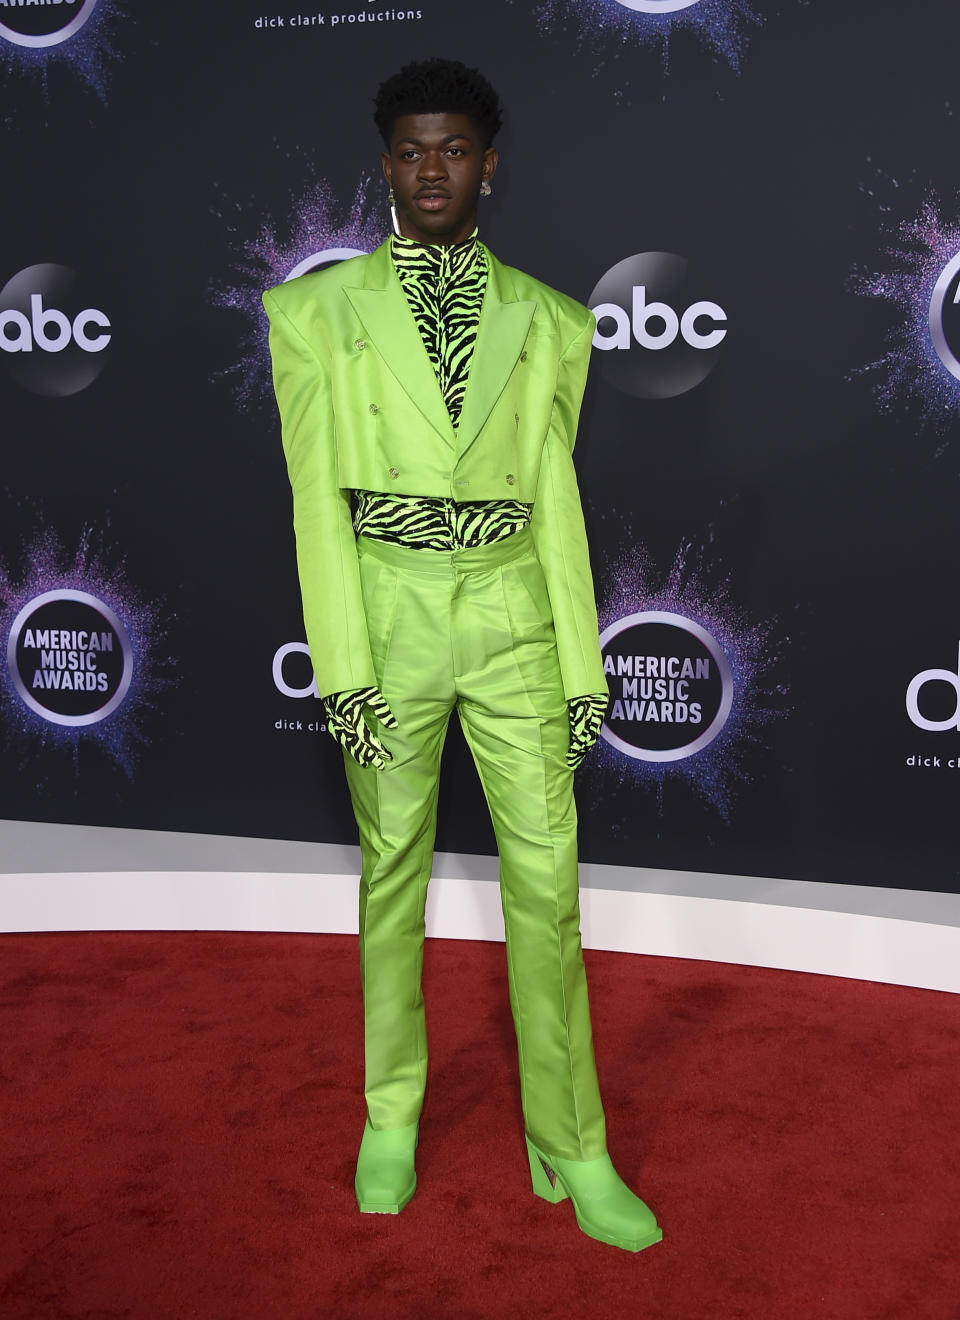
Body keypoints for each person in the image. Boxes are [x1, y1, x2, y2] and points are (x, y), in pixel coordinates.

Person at [262, 57, 661, 1253]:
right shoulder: (312, 314)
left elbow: (552, 491)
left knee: (551, 890)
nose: (430, 167)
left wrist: (582, 663)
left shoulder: (553, 320)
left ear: (490, 163)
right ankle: (392, 1115)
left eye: (452, 148)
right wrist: (344, 666)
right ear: (385, 164)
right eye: (409, 149)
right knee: (393, 871)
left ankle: (574, 1141)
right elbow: (313, 505)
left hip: (512, 621)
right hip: (384, 616)